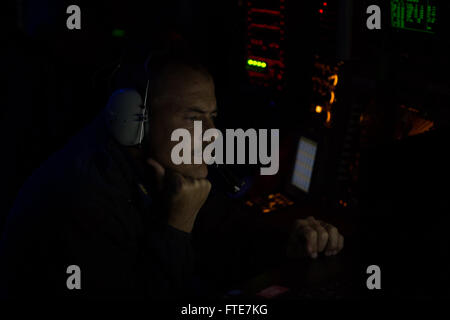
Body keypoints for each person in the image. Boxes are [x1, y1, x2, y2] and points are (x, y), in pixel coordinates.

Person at [0, 49, 344, 299]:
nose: (213, 134)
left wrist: (290, 241)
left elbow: (224, 230)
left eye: (212, 117)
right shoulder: (80, 200)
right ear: (133, 120)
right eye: (194, 118)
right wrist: (175, 228)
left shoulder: (158, 170)